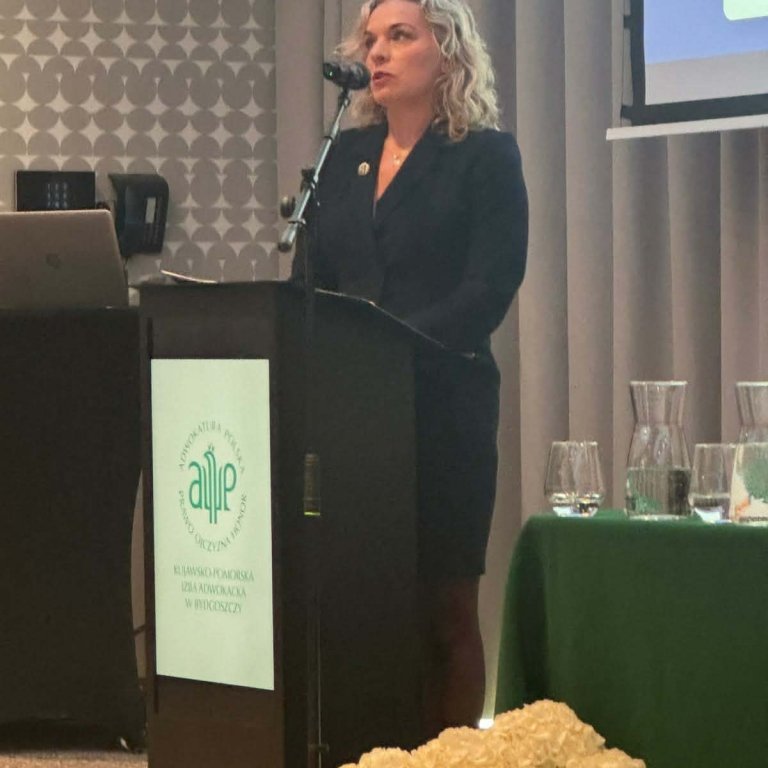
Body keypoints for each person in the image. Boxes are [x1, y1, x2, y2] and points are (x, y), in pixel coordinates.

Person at [292, 0, 528, 738]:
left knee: (442, 608)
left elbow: (489, 287)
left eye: (400, 36)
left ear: (448, 51)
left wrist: (387, 345)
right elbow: (311, 282)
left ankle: (449, 754)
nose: (378, 53)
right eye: (371, 39)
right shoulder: (344, 156)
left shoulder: (485, 157)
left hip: (443, 407)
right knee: (362, 602)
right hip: (353, 415)